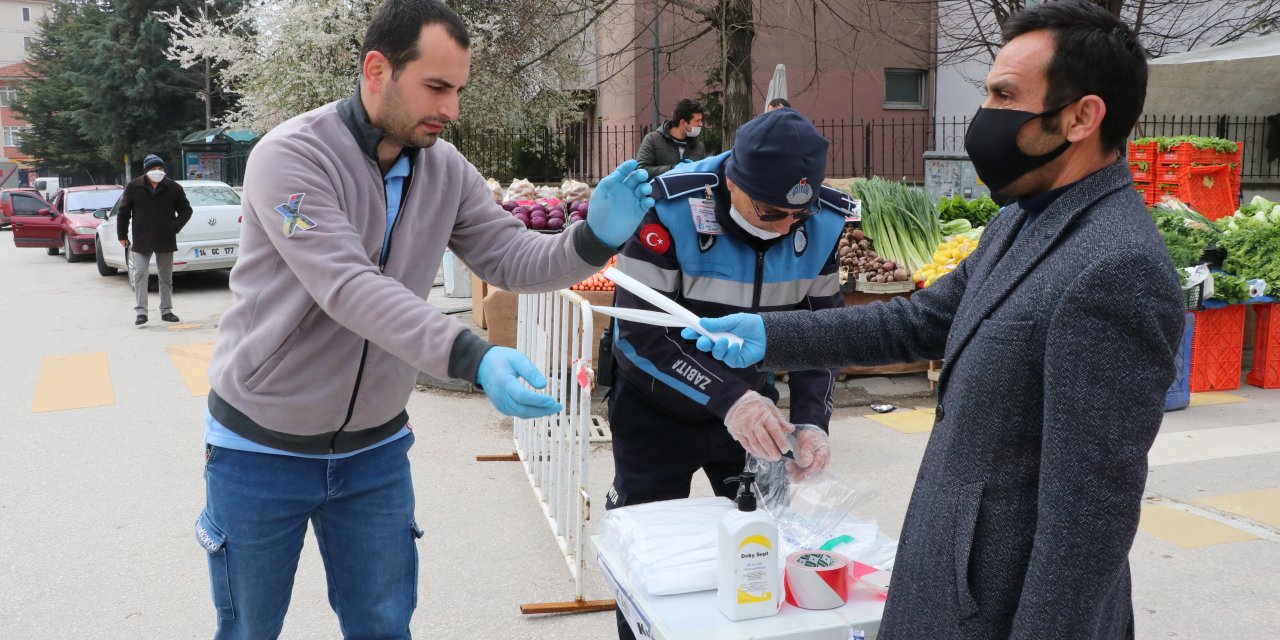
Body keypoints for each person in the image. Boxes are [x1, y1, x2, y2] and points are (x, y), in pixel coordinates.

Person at [685, 2, 1185, 638]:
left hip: (1000, 607)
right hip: (948, 576)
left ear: (1082, 116)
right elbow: (918, 322)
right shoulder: (1019, 222)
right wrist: (768, 334)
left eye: (1005, 95)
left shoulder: (1116, 267)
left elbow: (1089, 518)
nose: (985, 117)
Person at [196, 0, 654, 637]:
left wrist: (593, 239)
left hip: (375, 453)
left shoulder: (445, 169)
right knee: (249, 629)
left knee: (384, 626)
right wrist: (474, 354)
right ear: (377, 69)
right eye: (436, 87)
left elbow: (513, 256)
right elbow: (348, 285)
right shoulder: (292, 158)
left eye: (458, 90)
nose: (451, 110)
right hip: (258, 446)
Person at [605, 108, 847, 639]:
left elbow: (824, 334)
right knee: (646, 562)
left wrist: (811, 421)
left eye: (796, 218)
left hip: (755, 417)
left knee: (766, 553)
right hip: (654, 412)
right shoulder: (669, 206)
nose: (785, 228)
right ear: (733, 181)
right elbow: (639, 337)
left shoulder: (825, 221)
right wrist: (729, 398)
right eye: (770, 211)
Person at [118, 154, 192, 325]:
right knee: (140, 274)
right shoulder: (134, 187)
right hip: (142, 237)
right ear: (146, 171)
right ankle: (141, 313)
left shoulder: (173, 188)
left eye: (160, 169)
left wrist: (173, 227)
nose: (157, 172)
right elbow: (123, 212)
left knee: (165, 277)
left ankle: (166, 311)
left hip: (165, 239)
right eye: (153, 169)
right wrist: (122, 235)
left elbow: (186, 210)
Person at [636, 98, 707, 177]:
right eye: (697, 121)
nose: (701, 124)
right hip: (661, 189)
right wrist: (673, 169)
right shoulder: (653, 139)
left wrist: (696, 170)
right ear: (683, 122)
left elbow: (704, 176)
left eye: (701, 120)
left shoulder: (698, 146)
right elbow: (641, 171)